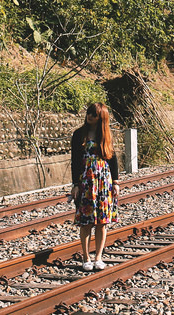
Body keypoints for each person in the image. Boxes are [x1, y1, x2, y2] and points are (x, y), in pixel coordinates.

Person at [70, 102, 119, 271]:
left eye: (94, 114)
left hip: (104, 180)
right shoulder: (78, 135)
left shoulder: (105, 135)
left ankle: (98, 257)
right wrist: (75, 184)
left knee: (102, 222)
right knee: (86, 221)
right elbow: (75, 160)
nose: (89, 116)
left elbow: (112, 159)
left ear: (101, 118)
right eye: (89, 112)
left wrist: (116, 182)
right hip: (86, 180)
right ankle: (86, 257)